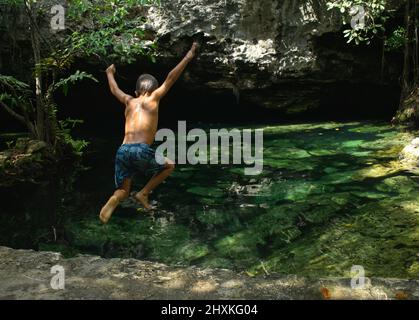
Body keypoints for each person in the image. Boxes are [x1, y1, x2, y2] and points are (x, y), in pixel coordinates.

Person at [99, 42, 199, 224]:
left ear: (136, 91)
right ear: (153, 90)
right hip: (140, 150)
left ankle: (115, 198)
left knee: (123, 190)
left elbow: (114, 89)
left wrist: (109, 73)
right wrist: (188, 56)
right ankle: (144, 193)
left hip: (122, 151)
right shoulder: (154, 97)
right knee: (169, 165)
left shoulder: (129, 100)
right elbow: (171, 78)